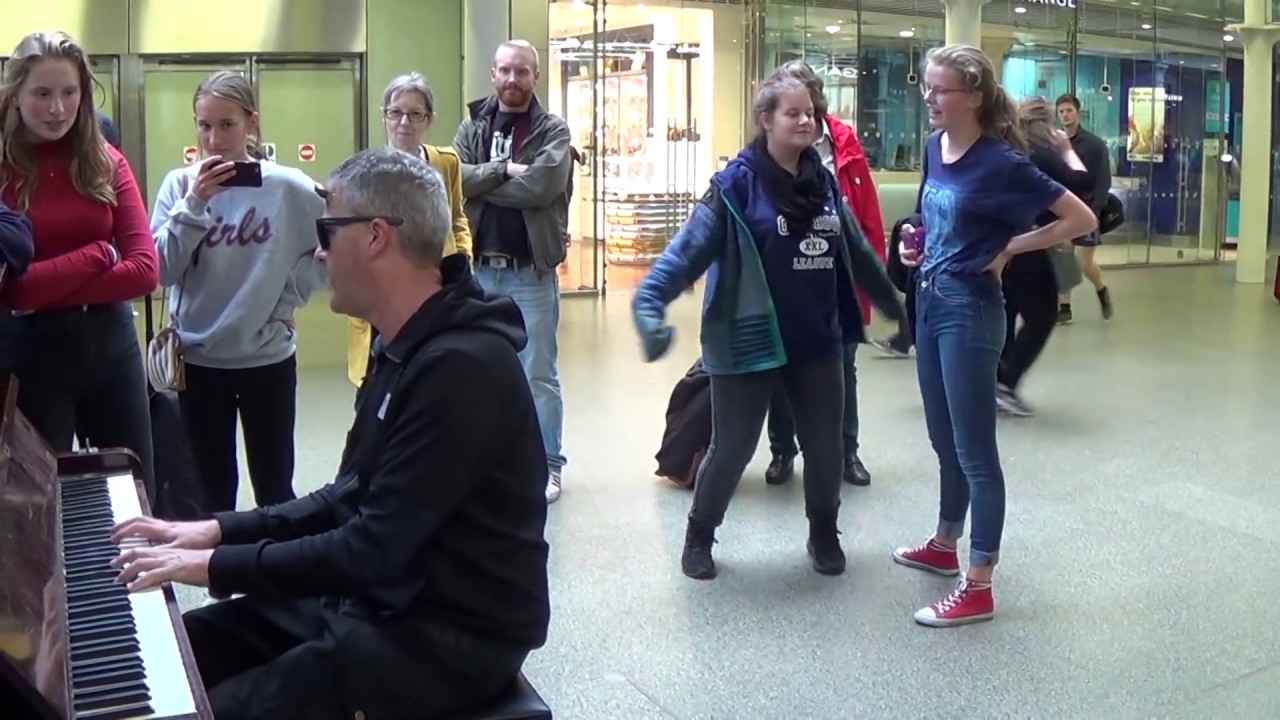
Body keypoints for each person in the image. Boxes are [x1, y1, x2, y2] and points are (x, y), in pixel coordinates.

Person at [110, 147, 551, 720]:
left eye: (326, 231)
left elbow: (372, 547)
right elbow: (349, 496)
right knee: (180, 647)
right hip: (382, 598)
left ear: (374, 237)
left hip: (444, 633)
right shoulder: (403, 342)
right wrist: (215, 532)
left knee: (214, 709)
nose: (318, 252)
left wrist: (216, 567)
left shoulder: (461, 367)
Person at [633, 74, 907, 581]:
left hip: (818, 338)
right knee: (733, 447)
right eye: (793, 113)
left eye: (811, 112)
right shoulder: (735, 186)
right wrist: (650, 302)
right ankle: (699, 534)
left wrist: (893, 300)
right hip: (749, 340)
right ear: (766, 121)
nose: (807, 121)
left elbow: (854, 250)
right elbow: (686, 253)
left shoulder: (821, 181)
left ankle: (823, 532)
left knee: (826, 447)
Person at [892, 45, 1097, 627]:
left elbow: (1080, 218)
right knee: (941, 435)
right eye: (927, 88)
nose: (929, 98)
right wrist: (917, 237)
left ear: (975, 96)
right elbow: (932, 215)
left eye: (941, 89)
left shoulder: (1003, 163)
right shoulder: (936, 148)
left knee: (976, 449)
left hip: (970, 311)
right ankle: (944, 540)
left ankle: (978, 582)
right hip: (928, 300)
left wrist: (1011, 246)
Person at [150, 70, 326, 516]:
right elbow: (161, 270)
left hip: (267, 357)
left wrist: (285, 298)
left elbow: (333, 250)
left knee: (274, 482)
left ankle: (278, 577)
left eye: (226, 125)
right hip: (199, 359)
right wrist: (194, 204)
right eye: (204, 125)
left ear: (252, 123)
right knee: (211, 485)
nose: (214, 139)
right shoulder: (178, 185)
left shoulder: (290, 187)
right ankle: (221, 579)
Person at [0, 30, 159, 493]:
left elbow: (144, 269)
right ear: (15, 96)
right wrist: (95, 256)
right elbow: (14, 292)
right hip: (31, 355)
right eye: (42, 94)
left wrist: (43, 284)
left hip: (110, 347)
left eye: (69, 93)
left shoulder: (105, 160)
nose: (57, 109)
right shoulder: (5, 167)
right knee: (43, 499)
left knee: (133, 486)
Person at [454, 39, 572, 504]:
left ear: (535, 77)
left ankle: (549, 466)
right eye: (504, 71)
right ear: (492, 74)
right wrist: (505, 171)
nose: (512, 80)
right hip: (478, 271)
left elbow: (541, 188)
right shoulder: (472, 124)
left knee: (537, 375)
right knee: (477, 373)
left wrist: (484, 182)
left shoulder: (553, 130)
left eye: (522, 72)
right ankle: (488, 465)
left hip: (530, 276)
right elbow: (455, 180)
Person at [763, 60, 886, 488]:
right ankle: (782, 451)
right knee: (780, 369)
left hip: (836, 273)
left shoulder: (843, 141)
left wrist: (872, 280)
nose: (803, 114)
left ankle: (846, 451)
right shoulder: (768, 144)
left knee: (842, 368)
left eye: (809, 100)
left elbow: (865, 212)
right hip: (785, 275)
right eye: (792, 102)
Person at [348, 71, 472, 387]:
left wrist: (462, 259)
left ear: (429, 120)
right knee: (378, 381)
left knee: (431, 376)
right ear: (384, 117)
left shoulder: (446, 162)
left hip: (433, 290)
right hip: (382, 292)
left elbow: (457, 217)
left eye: (415, 114)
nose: (405, 122)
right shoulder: (364, 173)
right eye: (396, 112)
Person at [997, 98, 1094, 417]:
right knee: (1042, 316)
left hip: (999, 242)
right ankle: (1006, 382)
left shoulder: (1006, 150)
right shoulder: (1045, 156)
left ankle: (995, 380)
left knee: (1006, 312)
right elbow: (1082, 184)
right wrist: (1066, 150)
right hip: (1030, 245)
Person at [1054, 92, 1112, 324]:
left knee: (1083, 262)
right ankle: (1065, 307)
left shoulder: (1094, 145)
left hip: (1087, 208)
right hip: (1064, 208)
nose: (1065, 115)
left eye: (1069, 110)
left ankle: (1101, 288)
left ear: (1078, 113)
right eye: (1061, 111)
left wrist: (1095, 210)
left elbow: (1103, 179)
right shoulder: (1056, 143)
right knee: (1065, 258)